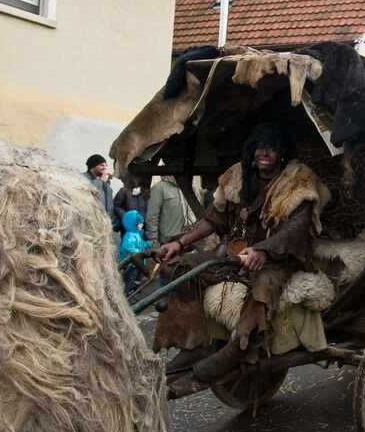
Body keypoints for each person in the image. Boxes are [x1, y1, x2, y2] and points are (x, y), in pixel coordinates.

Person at [152, 122, 330, 382]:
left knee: (265, 284)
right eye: (259, 148)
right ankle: (194, 345)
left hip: (277, 256)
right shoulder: (237, 178)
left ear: (282, 152)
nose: (263, 153)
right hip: (233, 251)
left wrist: (263, 251)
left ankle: (236, 348)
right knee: (175, 268)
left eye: (270, 148)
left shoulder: (298, 182)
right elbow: (212, 219)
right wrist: (180, 243)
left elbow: (295, 229)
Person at [145, 175, 194, 248]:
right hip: (169, 239)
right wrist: (152, 237)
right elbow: (152, 215)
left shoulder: (191, 185)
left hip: (191, 236)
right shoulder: (159, 188)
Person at [117, 210, 152, 294]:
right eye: (140, 223)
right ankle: (128, 293)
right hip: (131, 263)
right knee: (130, 278)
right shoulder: (130, 236)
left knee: (135, 277)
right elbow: (128, 247)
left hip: (136, 262)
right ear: (133, 224)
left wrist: (148, 244)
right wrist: (139, 252)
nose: (142, 225)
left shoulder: (136, 234)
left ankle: (132, 289)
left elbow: (141, 244)